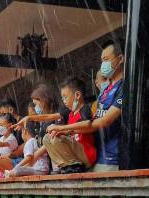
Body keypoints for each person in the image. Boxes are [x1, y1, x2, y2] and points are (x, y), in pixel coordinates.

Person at [48, 39, 124, 172]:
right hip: (98, 155)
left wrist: (64, 128)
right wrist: (65, 130)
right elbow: (93, 122)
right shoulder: (105, 91)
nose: (103, 65)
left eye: (106, 59)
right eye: (102, 60)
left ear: (120, 59)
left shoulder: (124, 87)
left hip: (112, 157)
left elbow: (104, 121)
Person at [43, 77, 97, 173]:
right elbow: (49, 117)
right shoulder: (70, 113)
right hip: (76, 155)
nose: (64, 101)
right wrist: (62, 132)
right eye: (62, 98)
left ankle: (73, 164)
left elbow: (87, 124)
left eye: (65, 97)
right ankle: (65, 165)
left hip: (86, 154)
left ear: (77, 95)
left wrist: (61, 128)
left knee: (56, 138)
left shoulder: (85, 108)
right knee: (47, 138)